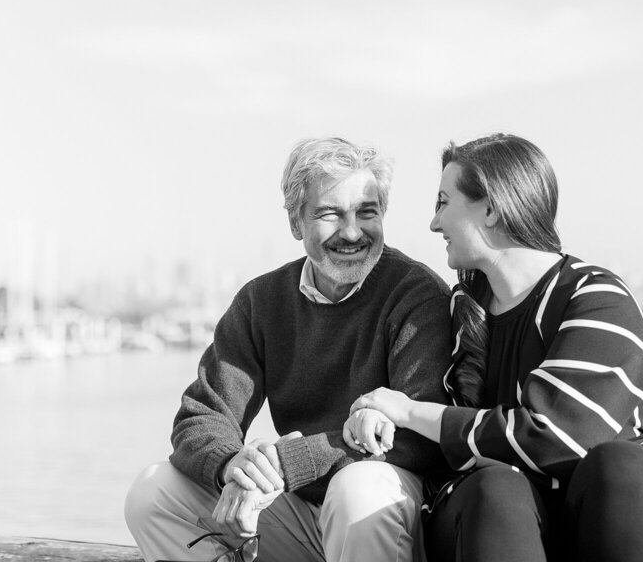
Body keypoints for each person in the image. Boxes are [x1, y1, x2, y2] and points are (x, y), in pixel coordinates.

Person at [343, 133, 643, 562]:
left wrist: (409, 411)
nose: (433, 224)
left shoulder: (596, 297)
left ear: (491, 208)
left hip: (617, 515)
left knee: (619, 466)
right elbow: (426, 432)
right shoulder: (460, 309)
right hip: (493, 521)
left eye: (443, 202)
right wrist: (373, 413)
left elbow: (558, 438)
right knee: (496, 485)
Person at [125, 137, 452, 562]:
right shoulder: (261, 301)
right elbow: (200, 418)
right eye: (330, 214)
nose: (352, 232)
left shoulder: (416, 295)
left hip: (387, 514)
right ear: (296, 223)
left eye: (366, 212)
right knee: (152, 493)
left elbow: (420, 433)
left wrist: (291, 460)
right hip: (296, 508)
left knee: (357, 489)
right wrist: (233, 466)